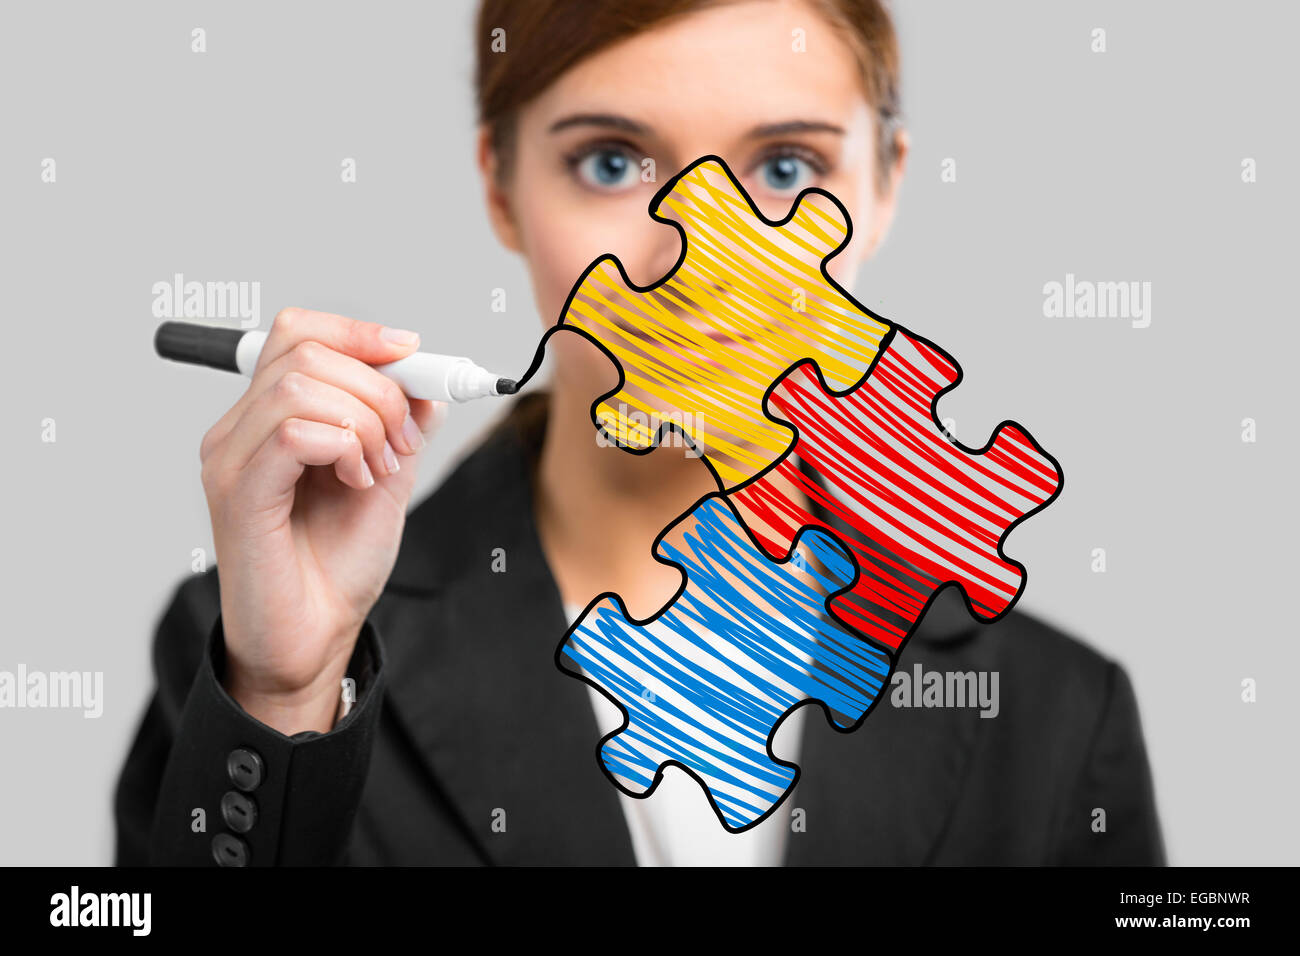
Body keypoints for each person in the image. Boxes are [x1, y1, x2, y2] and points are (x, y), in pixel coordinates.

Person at [115, 0, 1165, 866]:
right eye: (612, 162)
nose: (697, 256)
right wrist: (288, 697)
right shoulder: (260, 655)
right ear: (500, 184)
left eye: (786, 168)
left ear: (884, 182)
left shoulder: (1057, 713)